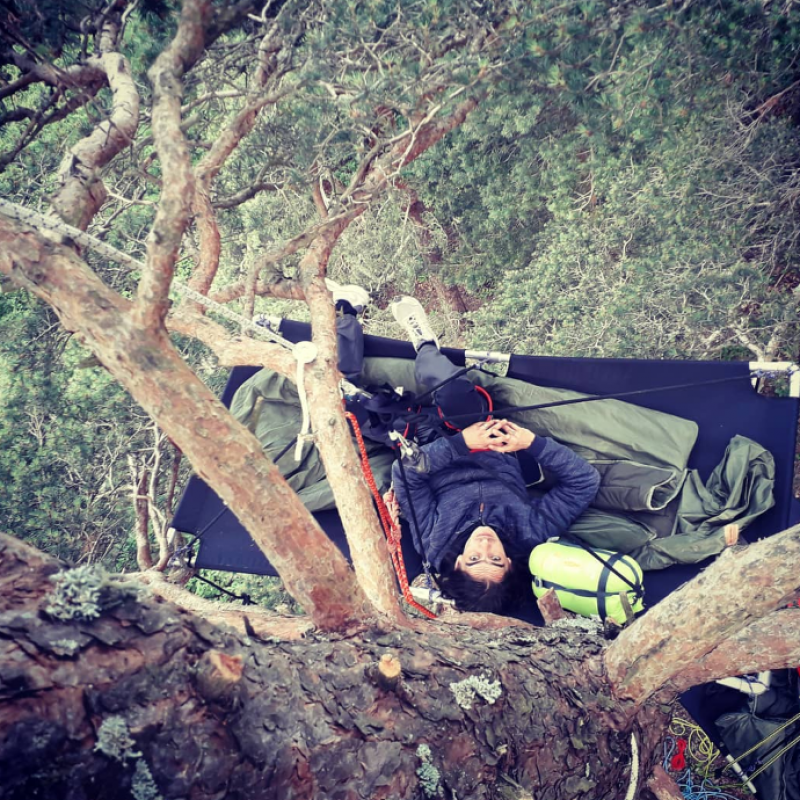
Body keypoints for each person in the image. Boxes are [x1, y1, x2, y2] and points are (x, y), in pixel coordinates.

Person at [385, 295, 601, 613]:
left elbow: (406, 478)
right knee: (455, 393)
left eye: (474, 558)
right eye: (495, 559)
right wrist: (531, 443)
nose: (485, 545)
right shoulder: (531, 535)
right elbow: (584, 482)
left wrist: (458, 445)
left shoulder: (436, 545)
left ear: (458, 562)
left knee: (369, 409)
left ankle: (347, 312)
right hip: (486, 438)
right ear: (510, 563)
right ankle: (424, 343)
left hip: (429, 445)